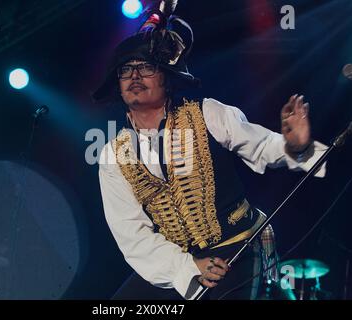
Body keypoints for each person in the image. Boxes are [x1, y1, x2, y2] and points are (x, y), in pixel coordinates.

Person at [92, 3, 327, 300]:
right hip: (179, 259)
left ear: (167, 77)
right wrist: (187, 266)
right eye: (126, 69)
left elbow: (262, 145)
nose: (135, 76)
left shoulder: (207, 114)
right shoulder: (114, 155)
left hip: (238, 247)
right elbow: (133, 236)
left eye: (147, 67)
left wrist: (296, 146)